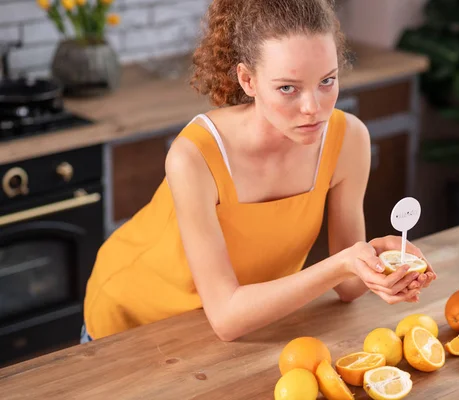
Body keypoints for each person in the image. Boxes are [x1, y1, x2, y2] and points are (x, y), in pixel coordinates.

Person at [81, 0, 436, 344]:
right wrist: (344, 263)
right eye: (287, 88)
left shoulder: (348, 141)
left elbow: (348, 288)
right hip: (134, 317)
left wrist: (375, 263)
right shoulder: (194, 156)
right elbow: (227, 318)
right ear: (248, 81)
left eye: (327, 82)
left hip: (232, 324)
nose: (313, 108)